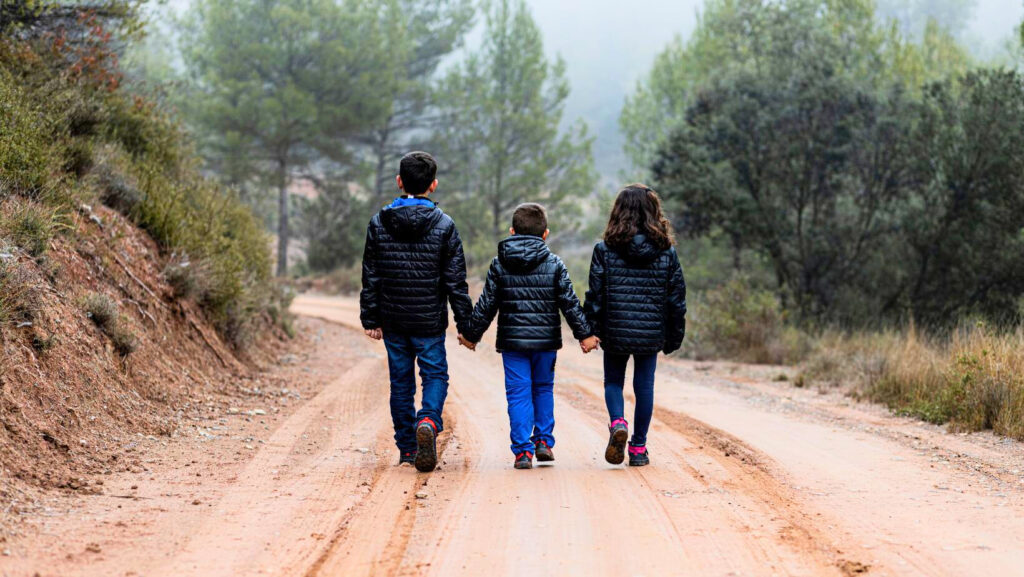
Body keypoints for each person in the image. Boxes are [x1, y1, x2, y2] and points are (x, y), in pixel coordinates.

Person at [459, 203, 599, 470]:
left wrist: (471, 334)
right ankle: (543, 442)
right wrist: (586, 335)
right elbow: (569, 302)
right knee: (543, 388)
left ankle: (523, 451)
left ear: (512, 231)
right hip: (545, 342)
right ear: (545, 234)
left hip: (513, 343)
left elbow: (488, 303)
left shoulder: (499, 264)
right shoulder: (555, 263)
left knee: (518, 393)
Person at [359, 151, 473, 472]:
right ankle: (428, 420)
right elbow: (456, 283)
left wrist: (371, 317)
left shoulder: (379, 222)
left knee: (401, 384)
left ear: (399, 181)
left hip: (393, 321)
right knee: (435, 375)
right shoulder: (445, 226)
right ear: (433, 185)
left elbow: (372, 275)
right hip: (429, 322)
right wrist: (467, 326)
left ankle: (409, 449)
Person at [584, 185, 686, 467]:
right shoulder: (667, 253)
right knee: (645, 387)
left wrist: (589, 329)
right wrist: (674, 336)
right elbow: (676, 299)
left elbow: (595, 295)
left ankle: (618, 422)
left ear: (618, 213)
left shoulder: (604, 250)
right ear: (654, 213)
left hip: (614, 329)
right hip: (651, 332)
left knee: (613, 382)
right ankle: (638, 448)